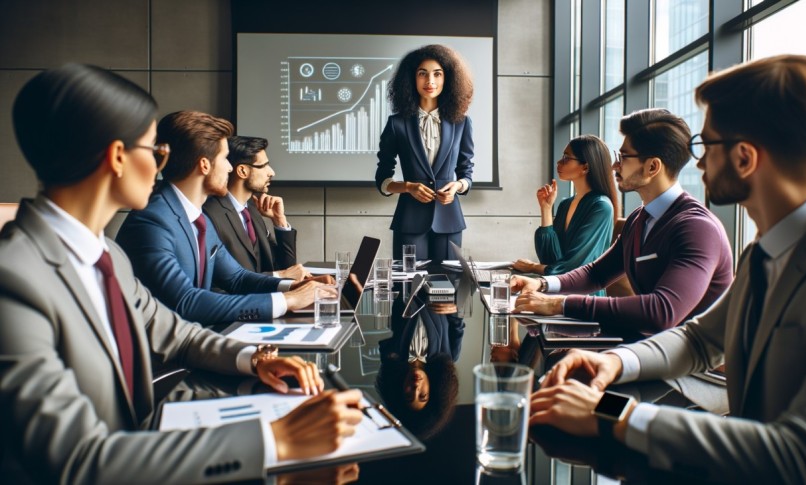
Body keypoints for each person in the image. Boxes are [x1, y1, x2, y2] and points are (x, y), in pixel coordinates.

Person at [0, 63, 363, 484]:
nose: (161, 165)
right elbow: (77, 460)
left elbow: (175, 331)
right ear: (117, 157)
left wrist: (256, 360)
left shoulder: (108, 255)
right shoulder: (14, 280)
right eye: (155, 151)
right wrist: (274, 440)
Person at [530, 55, 806, 483]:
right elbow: (702, 339)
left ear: (744, 158)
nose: (696, 161)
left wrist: (617, 417)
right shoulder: (767, 249)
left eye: (705, 145)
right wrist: (614, 363)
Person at [512, 108, 733, 335]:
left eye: (624, 158)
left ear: (652, 167)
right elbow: (596, 274)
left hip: (698, 365)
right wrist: (543, 284)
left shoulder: (697, 228)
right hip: (657, 348)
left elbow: (661, 312)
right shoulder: (640, 218)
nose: (615, 166)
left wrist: (558, 304)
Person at [116, 111, 331, 327]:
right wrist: (289, 300)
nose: (230, 167)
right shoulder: (152, 222)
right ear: (204, 165)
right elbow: (186, 302)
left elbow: (237, 278)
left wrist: (295, 287)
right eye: (224, 158)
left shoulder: (197, 218)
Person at [375, 44, 474, 262]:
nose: (430, 81)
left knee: (448, 287)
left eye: (437, 74)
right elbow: (382, 179)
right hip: (409, 220)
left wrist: (458, 186)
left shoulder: (462, 123)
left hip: (449, 219)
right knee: (409, 287)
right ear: (411, 79)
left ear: (448, 79)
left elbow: (466, 172)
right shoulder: (396, 124)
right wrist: (408, 187)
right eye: (422, 74)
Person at [513, 135, 619, 297]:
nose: (559, 162)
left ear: (585, 167)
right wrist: (546, 209)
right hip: (557, 291)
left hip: (584, 298)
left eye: (566, 158)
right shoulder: (565, 204)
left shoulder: (601, 207)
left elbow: (574, 268)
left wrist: (533, 267)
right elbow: (549, 259)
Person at [203, 135, 310, 280]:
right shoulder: (210, 214)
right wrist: (279, 275)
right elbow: (221, 283)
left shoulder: (252, 210)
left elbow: (287, 270)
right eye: (263, 166)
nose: (271, 172)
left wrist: (280, 222)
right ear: (242, 171)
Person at [376, 299, 463, 440]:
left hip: (402, 282)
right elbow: (457, 321)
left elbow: (387, 304)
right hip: (440, 282)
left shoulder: (390, 354)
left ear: (399, 390)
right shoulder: (449, 355)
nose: (416, 388)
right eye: (423, 395)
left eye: (409, 396)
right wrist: (453, 309)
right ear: (433, 390)